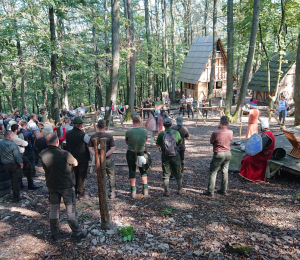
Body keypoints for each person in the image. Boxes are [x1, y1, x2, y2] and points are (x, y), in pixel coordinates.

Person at [40, 133, 88, 241]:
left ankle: (54, 233)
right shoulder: (65, 154)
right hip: (66, 185)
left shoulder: (42, 153)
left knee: (53, 209)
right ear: (57, 142)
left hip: (52, 185)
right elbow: (75, 163)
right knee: (70, 210)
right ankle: (77, 232)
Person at [203, 116, 233, 197]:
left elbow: (211, 141)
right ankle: (223, 189)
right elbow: (230, 140)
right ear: (228, 123)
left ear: (220, 122)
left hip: (219, 153)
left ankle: (210, 190)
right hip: (228, 153)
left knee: (213, 171)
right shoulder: (230, 132)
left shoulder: (215, 133)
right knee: (225, 171)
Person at [88, 120, 116, 199]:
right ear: (105, 126)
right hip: (108, 159)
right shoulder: (109, 136)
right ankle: (112, 193)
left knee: (101, 176)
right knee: (111, 176)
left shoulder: (93, 136)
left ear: (97, 126)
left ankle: (102, 193)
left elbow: (90, 148)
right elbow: (112, 148)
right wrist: (105, 155)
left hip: (98, 160)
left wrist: (97, 155)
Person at [156, 117, 183, 196]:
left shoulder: (161, 134)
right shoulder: (176, 133)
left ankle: (166, 191)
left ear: (163, 125)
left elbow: (157, 144)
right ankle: (180, 189)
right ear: (171, 124)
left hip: (165, 155)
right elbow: (181, 142)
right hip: (175, 154)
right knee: (178, 171)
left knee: (166, 173)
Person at [66, 117, 90, 198]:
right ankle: (81, 193)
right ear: (81, 125)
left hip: (71, 158)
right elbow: (89, 143)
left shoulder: (67, 133)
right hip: (82, 159)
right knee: (81, 176)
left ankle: (73, 192)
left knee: (73, 175)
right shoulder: (84, 135)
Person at [125, 115, 149, 198]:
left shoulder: (128, 131)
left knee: (132, 171)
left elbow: (127, 142)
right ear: (140, 122)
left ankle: (133, 191)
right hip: (142, 153)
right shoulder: (145, 131)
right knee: (143, 171)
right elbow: (145, 141)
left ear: (132, 122)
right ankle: (145, 190)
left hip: (131, 153)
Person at [11, 124, 39, 190]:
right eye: (18, 128)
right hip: (20, 155)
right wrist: (25, 142)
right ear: (16, 130)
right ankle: (30, 184)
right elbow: (25, 143)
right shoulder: (15, 137)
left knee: (19, 170)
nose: (19, 129)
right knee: (29, 168)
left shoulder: (12, 136)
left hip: (16, 155)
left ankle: (21, 185)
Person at [0, 130, 25, 202]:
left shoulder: (1, 142)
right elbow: (17, 156)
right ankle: (16, 197)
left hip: (5, 165)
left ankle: (12, 193)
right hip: (14, 165)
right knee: (16, 181)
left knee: (11, 179)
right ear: (10, 137)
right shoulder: (13, 145)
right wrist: (21, 163)